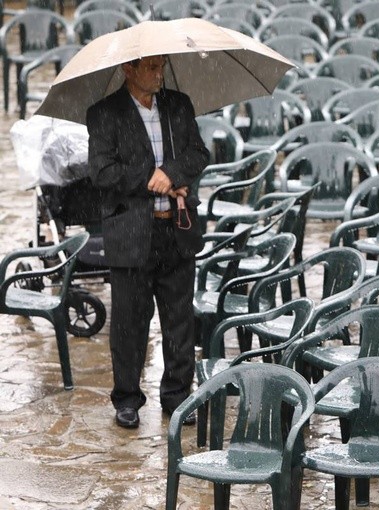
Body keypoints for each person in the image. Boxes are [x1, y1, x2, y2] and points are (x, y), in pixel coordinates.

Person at [86, 55, 210, 429]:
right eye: (151, 68)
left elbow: (199, 154)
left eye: (161, 67)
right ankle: (126, 398)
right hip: (131, 234)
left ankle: (176, 395)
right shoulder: (104, 113)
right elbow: (102, 172)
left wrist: (172, 173)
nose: (159, 74)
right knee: (129, 323)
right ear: (129, 69)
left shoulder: (178, 105)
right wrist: (150, 178)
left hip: (176, 229)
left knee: (179, 319)